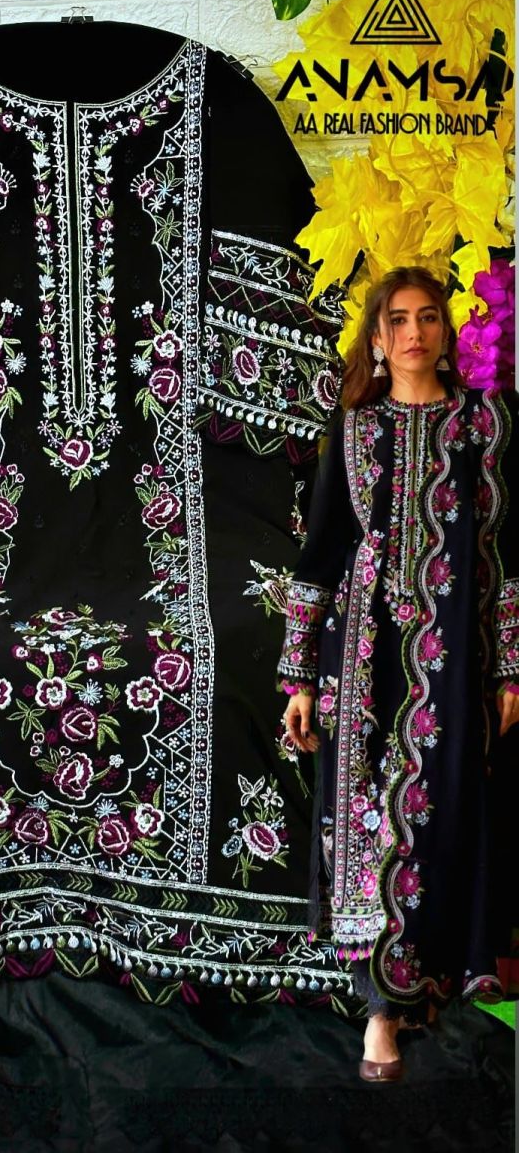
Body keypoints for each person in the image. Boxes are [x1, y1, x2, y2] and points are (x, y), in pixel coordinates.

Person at [277, 266, 518, 1082]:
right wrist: (299, 677)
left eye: (428, 317)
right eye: (398, 320)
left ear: (445, 331)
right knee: (369, 823)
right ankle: (378, 1015)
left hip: (457, 657)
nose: (414, 332)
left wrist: (510, 668)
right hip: (363, 655)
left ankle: (430, 981)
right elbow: (318, 554)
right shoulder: (353, 430)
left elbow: (506, 554)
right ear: (377, 340)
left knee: (445, 812)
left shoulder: (485, 423)